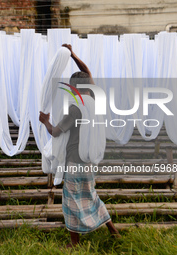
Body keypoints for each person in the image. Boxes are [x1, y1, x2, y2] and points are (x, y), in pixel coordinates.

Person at [39, 44, 120, 248]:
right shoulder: (95, 100)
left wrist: (44, 121)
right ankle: (113, 231)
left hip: (74, 162)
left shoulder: (75, 108)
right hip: (89, 162)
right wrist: (73, 55)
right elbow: (88, 72)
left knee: (71, 200)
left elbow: (56, 131)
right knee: (91, 195)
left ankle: (74, 243)